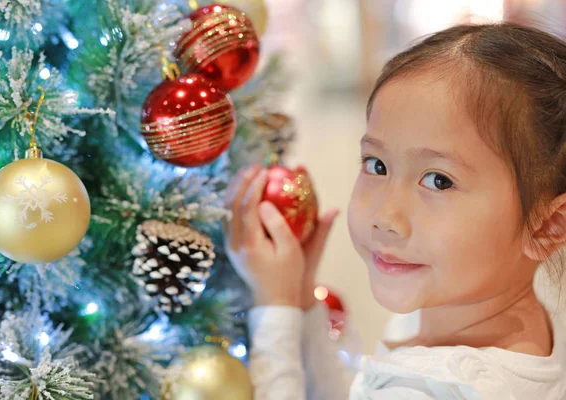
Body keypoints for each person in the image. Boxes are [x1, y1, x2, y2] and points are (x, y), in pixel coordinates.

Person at [223, 23, 566, 399]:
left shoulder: (446, 388)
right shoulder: (461, 317)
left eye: (438, 181)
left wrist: (276, 308)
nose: (385, 216)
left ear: (547, 226)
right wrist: (303, 299)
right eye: (377, 165)